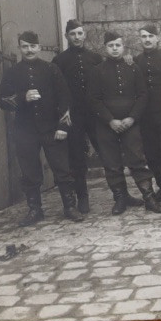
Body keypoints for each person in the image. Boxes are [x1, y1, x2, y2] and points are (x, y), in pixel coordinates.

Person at [0, 30, 78, 224]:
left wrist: (63, 127)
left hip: (52, 128)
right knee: (29, 172)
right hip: (25, 131)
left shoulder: (52, 70)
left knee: (62, 169)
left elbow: (65, 99)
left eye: (33, 46)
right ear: (20, 48)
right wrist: (22, 97)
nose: (29, 50)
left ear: (39, 48)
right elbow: (2, 100)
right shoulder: (12, 72)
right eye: (25, 46)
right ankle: (35, 210)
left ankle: (70, 207)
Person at [89, 30, 161, 214]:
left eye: (118, 45)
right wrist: (110, 120)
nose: (115, 49)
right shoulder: (98, 71)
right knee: (112, 163)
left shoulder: (133, 68)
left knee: (137, 159)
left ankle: (149, 197)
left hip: (131, 123)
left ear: (123, 47)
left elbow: (142, 95)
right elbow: (93, 99)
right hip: (107, 125)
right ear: (105, 48)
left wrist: (132, 118)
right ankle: (120, 199)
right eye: (111, 46)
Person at [53, 19, 103, 214]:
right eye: (73, 34)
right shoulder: (59, 61)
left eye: (80, 33)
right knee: (76, 158)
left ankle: (121, 194)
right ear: (67, 36)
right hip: (73, 116)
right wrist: (63, 113)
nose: (77, 37)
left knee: (107, 152)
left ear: (85, 35)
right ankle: (82, 197)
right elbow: (56, 90)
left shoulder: (95, 58)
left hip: (95, 114)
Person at [133, 23, 161, 209]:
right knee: (151, 155)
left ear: (157, 38)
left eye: (151, 36)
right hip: (145, 117)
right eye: (144, 36)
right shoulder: (136, 61)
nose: (147, 39)